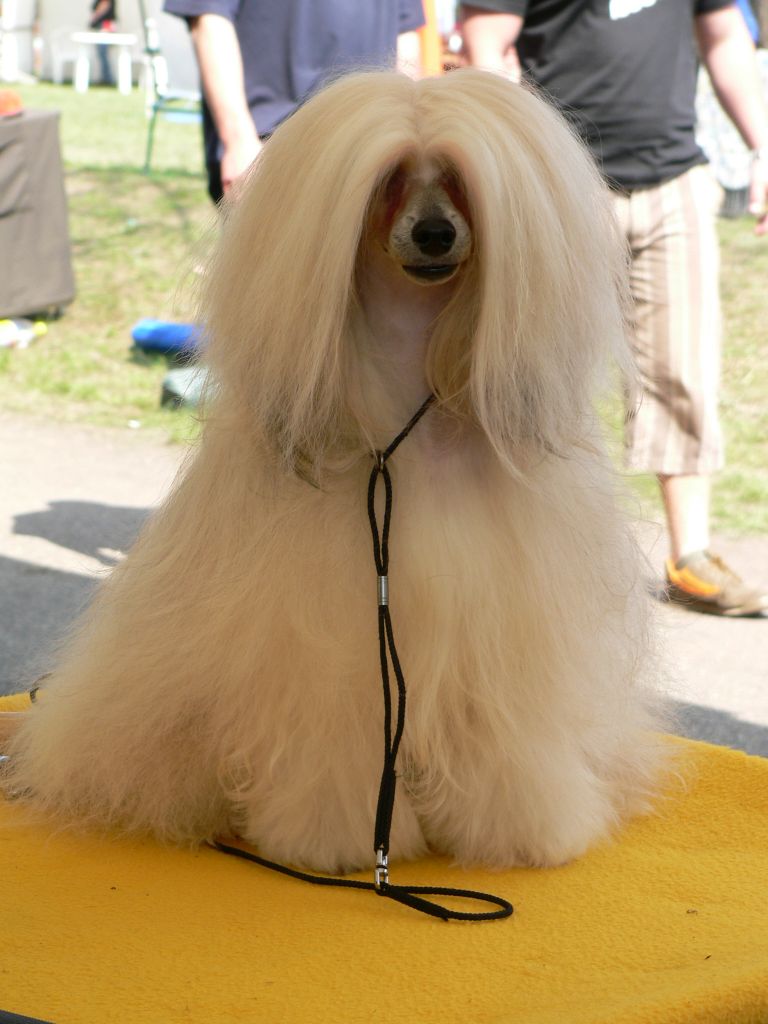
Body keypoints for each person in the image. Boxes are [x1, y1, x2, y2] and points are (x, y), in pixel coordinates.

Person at [461, 0, 768, 617]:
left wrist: (763, 146)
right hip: (568, 182)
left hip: (674, 175)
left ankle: (691, 556)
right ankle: (539, 551)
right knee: (546, 374)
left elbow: (724, 33)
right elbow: (485, 47)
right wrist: (510, 169)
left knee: (683, 368)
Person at [163, 0, 426, 203]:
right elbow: (209, 17)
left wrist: (409, 133)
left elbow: (405, 30)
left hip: (373, 151)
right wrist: (237, 140)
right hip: (273, 147)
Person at [89, 0, 117, 87]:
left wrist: (94, 19)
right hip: (103, 26)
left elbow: (101, 10)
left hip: (105, 27)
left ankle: (107, 78)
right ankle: (106, 77)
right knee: (102, 53)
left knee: (103, 53)